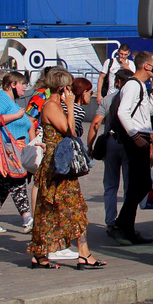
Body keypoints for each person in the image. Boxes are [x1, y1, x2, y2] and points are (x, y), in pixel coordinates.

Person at [28, 67, 105, 270]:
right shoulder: (52, 106)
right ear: (62, 87)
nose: (71, 91)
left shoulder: (55, 104)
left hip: (59, 164)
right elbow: (70, 131)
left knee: (56, 209)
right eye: (70, 86)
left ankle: (43, 254)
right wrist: (70, 107)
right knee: (71, 208)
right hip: (57, 166)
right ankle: (82, 254)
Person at [112, 51, 153, 246]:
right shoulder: (132, 85)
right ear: (146, 66)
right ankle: (120, 226)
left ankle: (127, 228)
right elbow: (123, 112)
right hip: (136, 137)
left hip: (141, 135)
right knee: (141, 184)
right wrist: (134, 135)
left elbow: (147, 110)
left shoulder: (140, 85)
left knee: (138, 184)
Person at [0, 72, 34, 235]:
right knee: (16, 180)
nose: (25, 87)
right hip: (4, 148)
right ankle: (28, 219)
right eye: (22, 83)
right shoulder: (2, 98)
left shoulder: (8, 100)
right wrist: (17, 115)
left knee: (1, 186)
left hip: (9, 148)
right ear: (13, 84)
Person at [89, 67, 132, 240]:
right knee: (129, 187)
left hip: (111, 143)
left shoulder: (108, 99)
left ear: (117, 82)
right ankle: (127, 223)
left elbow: (95, 124)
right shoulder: (133, 98)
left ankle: (110, 222)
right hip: (130, 144)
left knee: (110, 185)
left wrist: (90, 146)